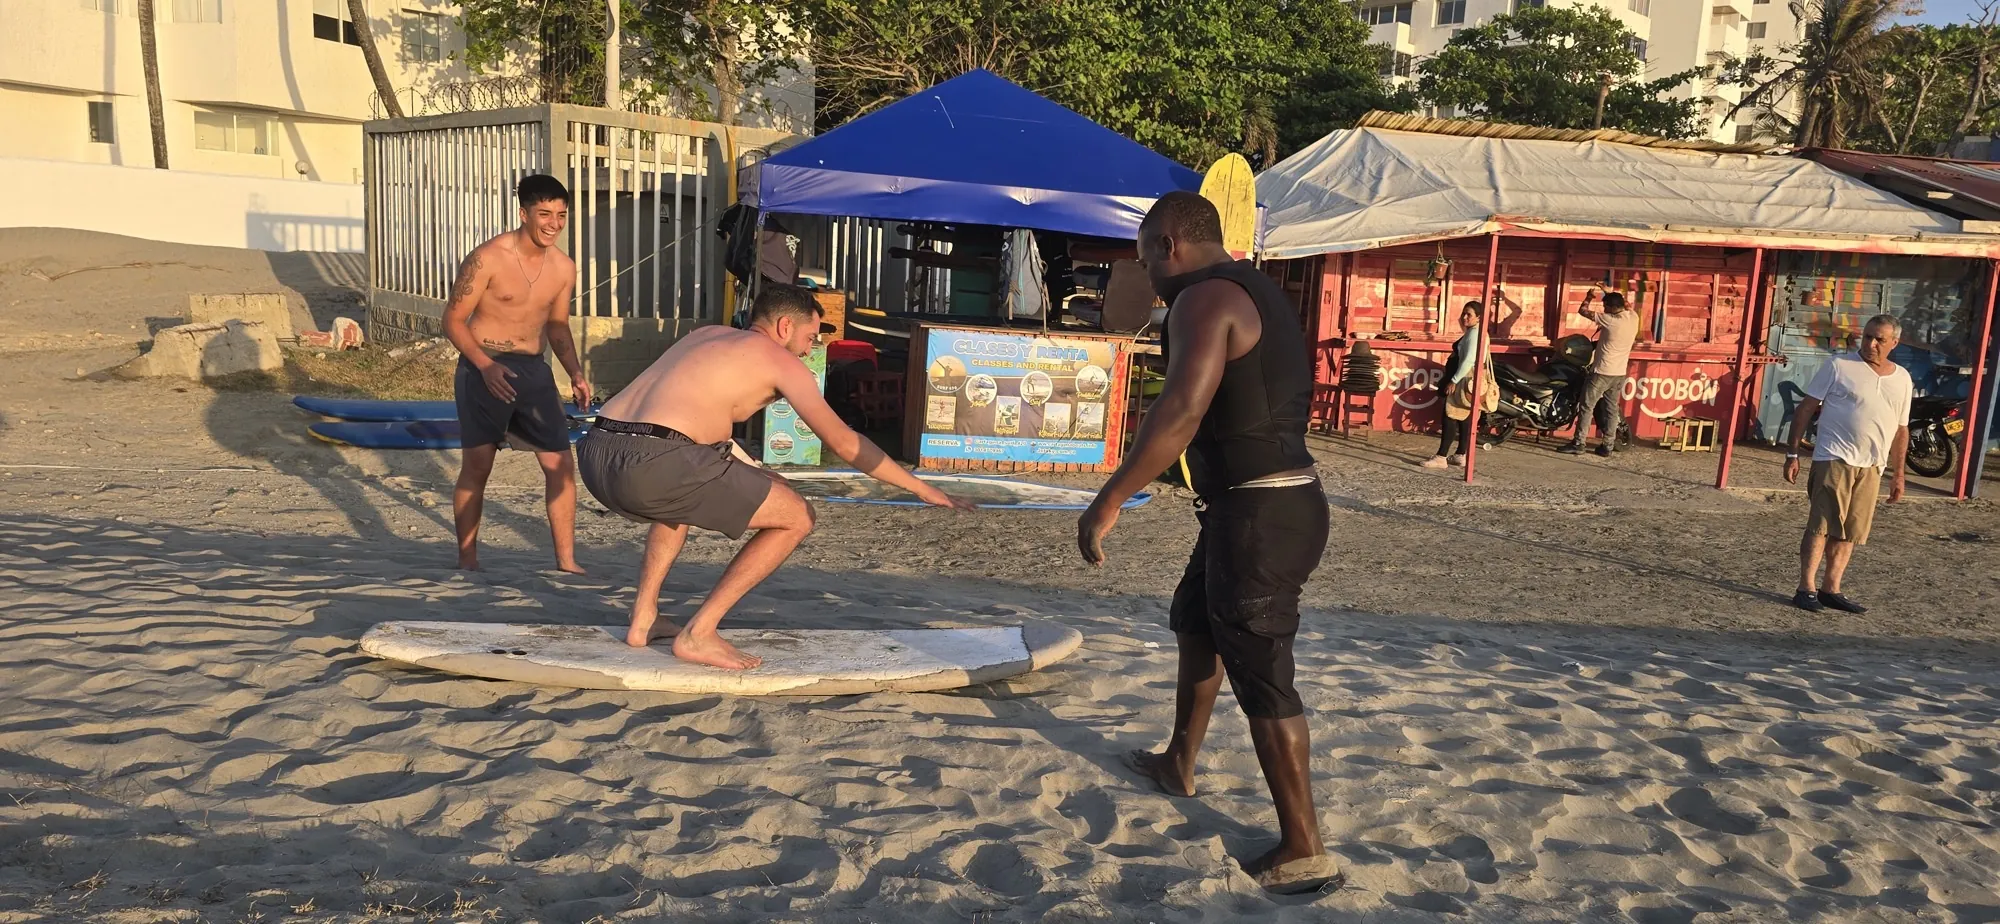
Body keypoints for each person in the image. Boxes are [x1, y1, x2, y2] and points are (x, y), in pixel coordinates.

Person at [1077, 191, 1339, 895]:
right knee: (1198, 623)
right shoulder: (1258, 288)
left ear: (1169, 244)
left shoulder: (1202, 297)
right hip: (1252, 507)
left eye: (1142, 260)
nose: (1147, 278)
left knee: (1261, 669)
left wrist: (1109, 499)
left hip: (1264, 513)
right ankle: (1178, 762)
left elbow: (1182, 410)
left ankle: (1304, 847)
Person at [576, 284, 975, 671]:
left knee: (683, 499)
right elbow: (844, 441)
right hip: (655, 465)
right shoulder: (778, 359)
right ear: (784, 326)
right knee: (797, 516)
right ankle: (700, 632)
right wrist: (921, 487)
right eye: (809, 337)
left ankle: (644, 616)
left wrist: (757, 472)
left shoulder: (704, 337)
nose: (809, 349)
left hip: (597, 453)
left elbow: (692, 429)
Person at [441, 174, 589, 574]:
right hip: (483, 364)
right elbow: (453, 321)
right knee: (478, 466)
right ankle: (468, 559)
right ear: (524, 214)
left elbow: (557, 326)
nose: (553, 224)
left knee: (560, 464)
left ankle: (567, 561)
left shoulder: (563, 267)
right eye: (544, 214)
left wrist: (575, 372)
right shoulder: (489, 257)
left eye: (561, 215)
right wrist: (485, 365)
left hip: (533, 370)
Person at [1783, 315, 1911, 614]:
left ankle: (1831, 589)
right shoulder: (1839, 366)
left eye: (1879, 339)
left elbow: (1901, 428)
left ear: (1894, 343)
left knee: (1851, 530)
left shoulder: (1902, 378)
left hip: (1872, 466)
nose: (1871, 343)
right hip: (1833, 457)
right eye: (1867, 337)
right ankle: (1806, 588)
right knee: (1821, 524)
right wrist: (1792, 453)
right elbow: (1807, 408)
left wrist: (1898, 474)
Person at [1564, 286, 1639, 457]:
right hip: (1619, 373)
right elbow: (1626, 304)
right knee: (1612, 409)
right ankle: (1608, 446)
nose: (1604, 310)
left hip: (1602, 372)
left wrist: (1589, 296)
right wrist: (1607, 291)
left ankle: (1579, 443)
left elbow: (1583, 311)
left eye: (1606, 307)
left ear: (1612, 308)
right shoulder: (1633, 317)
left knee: (1586, 406)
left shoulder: (1610, 320)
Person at [1421, 301, 1488, 469]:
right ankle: (1460, 454)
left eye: (1469, 315)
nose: (1464, 317)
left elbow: (1469, 360)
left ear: (1479, 318)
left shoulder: (1475, 334)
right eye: (1463, 313)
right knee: (1463, 417)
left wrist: (1454, 380)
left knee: (1450, 415)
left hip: (1463, 380)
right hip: (1465, 379)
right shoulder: (1474, 332)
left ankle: (1442, 457)